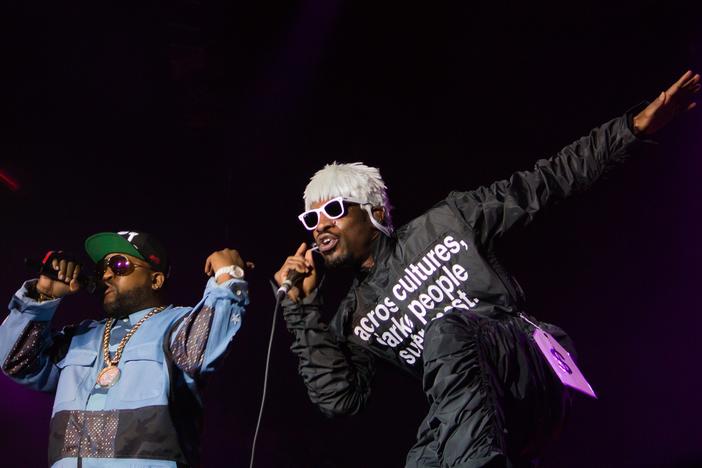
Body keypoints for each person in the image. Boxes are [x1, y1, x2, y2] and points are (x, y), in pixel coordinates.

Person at [274, 70, 700, 467]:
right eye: (311, 219)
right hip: (482, 416)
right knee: (421, 459)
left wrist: (630, 130)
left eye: (332, 209)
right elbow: (340, 398)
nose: (321, 225)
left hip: (531, 366)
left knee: (447, 330)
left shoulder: (447, 222)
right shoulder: (356, 316)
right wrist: (300, 306)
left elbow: (546, 181)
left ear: (374, 212)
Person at [0, 230, 249, 467]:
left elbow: (203, 350)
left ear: (156, 279)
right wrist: (42, 296)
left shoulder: (177, 325)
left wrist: (229, 275)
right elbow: (16, 361)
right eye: (102, 268)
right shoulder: (80, 336)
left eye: (120, 265)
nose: (106, 275)